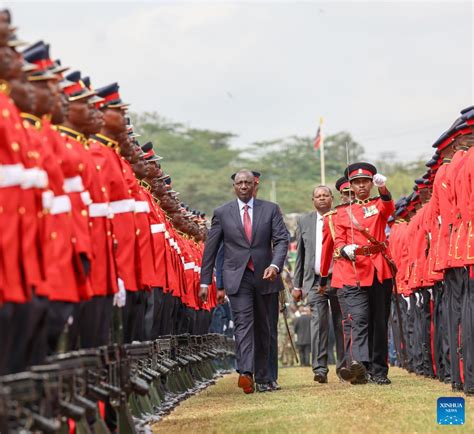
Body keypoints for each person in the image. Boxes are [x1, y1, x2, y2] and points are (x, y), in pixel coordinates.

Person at [199, 169, 289, 394]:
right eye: (239, 183)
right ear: (234, 186)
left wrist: (275, 266)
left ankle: (265, 377)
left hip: (266, 276)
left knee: (264, 327)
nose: (243, 186)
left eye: (247, 182)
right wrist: (204, 281)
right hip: (238, 278)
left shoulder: (270, 210)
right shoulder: (222, 213)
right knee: (243, 325)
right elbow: (211, 249)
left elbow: (281, 240)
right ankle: (246, 373)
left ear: (254, 185)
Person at [328, 162, 395, 385]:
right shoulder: (341, 212)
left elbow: (389, 209)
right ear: (351, 186)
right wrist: (344, 248)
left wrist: (383, 189)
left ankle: (380, 370)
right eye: (356, 183)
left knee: (380, 321)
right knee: (360, 319)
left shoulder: (378, 204)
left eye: (365, 181)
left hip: (377, 269)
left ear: (370, 183)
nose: (361, 186)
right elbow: (338, 240)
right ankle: (361, 366)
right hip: (356, 270)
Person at [292, 185, 346, 383]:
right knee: (319, 323)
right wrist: (297, 286)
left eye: (325, 195)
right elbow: (300, 255)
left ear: (332, 198)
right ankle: (320, 369)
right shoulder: (304, 221)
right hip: (314, 281)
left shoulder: (340, 216)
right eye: (318, 196)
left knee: (341, 324)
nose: (322, 199)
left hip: (338, 278)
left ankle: (344, 367)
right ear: (312, 200)